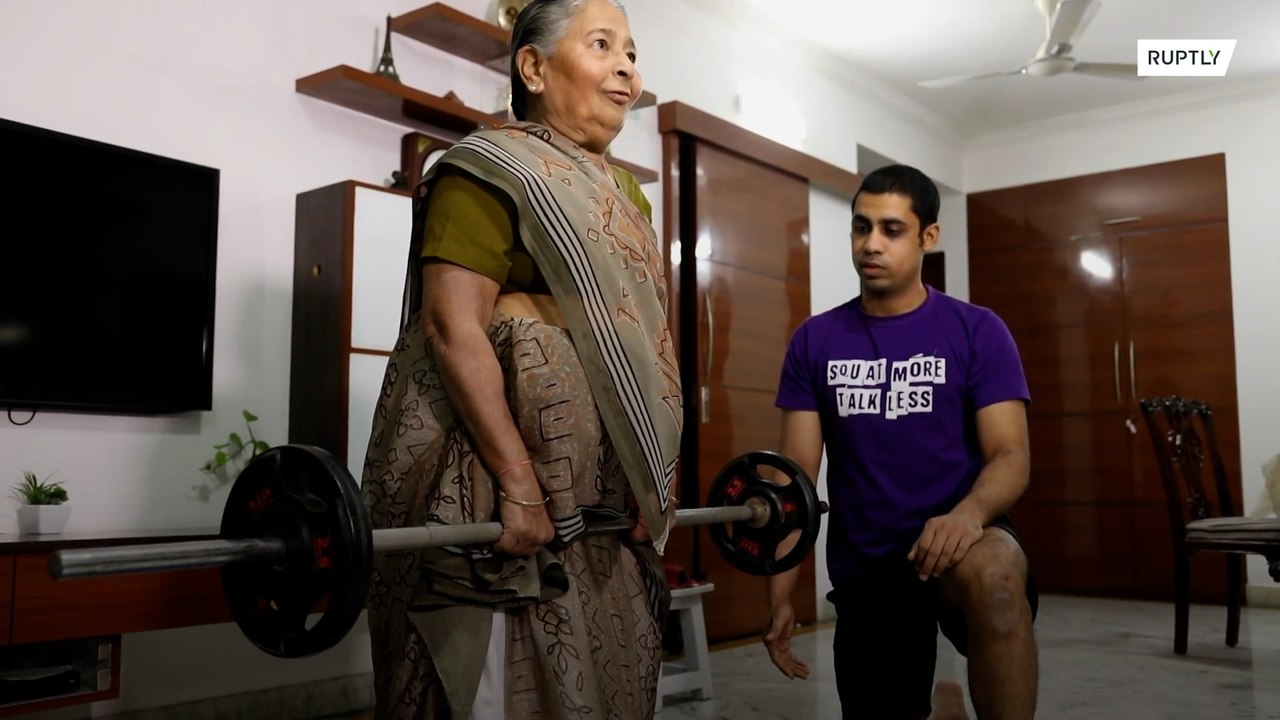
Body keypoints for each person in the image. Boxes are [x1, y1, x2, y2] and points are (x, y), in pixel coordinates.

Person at [358, 1, 682, 718]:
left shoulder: (626, 195)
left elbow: (641, 342)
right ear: (533, 67)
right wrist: (520, 484)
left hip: (603, 501)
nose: (627, 65)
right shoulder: (486, 170)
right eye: (602, 45)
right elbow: (453, 326)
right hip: (506, 496)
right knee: (514, 680)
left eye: (631, 50)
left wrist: (655, 475)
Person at [762, 164, 1039, 719]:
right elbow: (793, 477)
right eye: (861, 228)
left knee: (998, 582)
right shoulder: (816, 341)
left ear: (927, 237)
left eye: (891, 230)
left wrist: (968, 516)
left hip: (963, 540)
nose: (871, 244)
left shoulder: (977, 329)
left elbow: (1011, 456)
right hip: (870, 566)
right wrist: (780, 593)